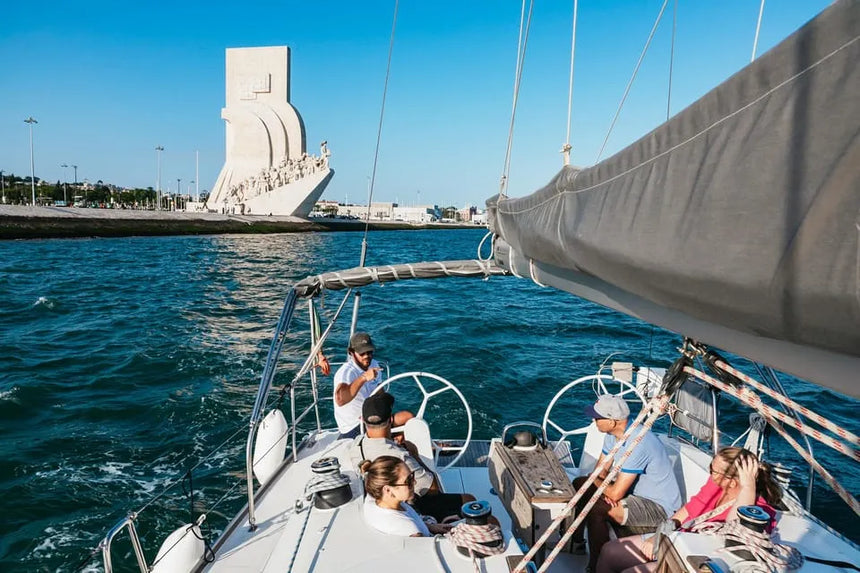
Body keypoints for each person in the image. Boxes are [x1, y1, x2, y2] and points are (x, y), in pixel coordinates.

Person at [596, 447, 781, 573]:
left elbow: (735, 533)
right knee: (610, 551)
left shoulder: (760, 513)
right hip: (676, 539)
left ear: (733, 481)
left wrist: (748, 487)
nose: (710, 474)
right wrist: (659, 535)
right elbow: (688, 510)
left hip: (696, 559)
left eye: (714, 471)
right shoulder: (715, 485)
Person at [571, 395, 682, 573]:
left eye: (598, 417)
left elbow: (614, 493)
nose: (594, 420)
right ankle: (575, 542)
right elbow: (600, 472)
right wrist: (604, 489)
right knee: (580, 483)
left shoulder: (638, 443)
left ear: (613, 421)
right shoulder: (613, 435)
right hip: (635, 495)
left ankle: (595, 567)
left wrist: (607, 491)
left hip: (659, 508)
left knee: (598, 509)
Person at [352, 391, 475, 523]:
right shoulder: (400, 457)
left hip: (383, 502)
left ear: (363, 420)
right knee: (469, 500)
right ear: (390, 420)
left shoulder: (356, 445)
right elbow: (433, 489)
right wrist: (414, 455)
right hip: (414, 508)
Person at [333, 332, 410, 438]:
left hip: (374, 419)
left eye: (369, 352)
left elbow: (379, 392)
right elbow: (340, 399)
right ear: (351, 352)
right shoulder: (346, 372)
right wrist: (364, 378)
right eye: (362, 353)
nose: (367, 356)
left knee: (407, 418)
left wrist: (386, 414)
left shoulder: (374, 364)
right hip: (354, 427)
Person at [361, 456, 453, 537]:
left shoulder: (373, 498)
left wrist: (430, 526)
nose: (415, 482)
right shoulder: (412, 531)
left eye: (412, 476)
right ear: (388, 490)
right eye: (408, 480)